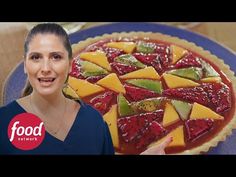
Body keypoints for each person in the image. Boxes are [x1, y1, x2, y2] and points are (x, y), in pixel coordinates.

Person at [0, 23, 171, 155]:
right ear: (25, 64)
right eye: (36, 57)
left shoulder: (94, 121)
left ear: (70, 64)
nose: (46, 67)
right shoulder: (7, 121)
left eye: (56, 57)